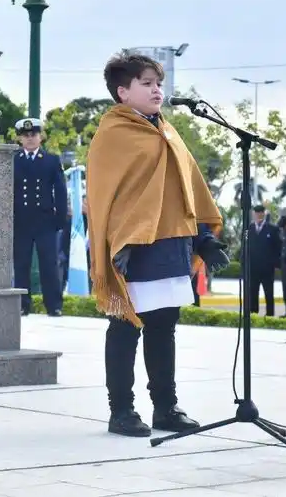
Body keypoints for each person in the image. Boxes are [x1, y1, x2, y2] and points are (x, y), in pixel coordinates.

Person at [86, 51, 229, 438]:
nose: (156, 90)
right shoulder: (113, 134)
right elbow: (106, 198)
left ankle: (166, 407)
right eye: (146, 83)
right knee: (125, 328)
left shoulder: (167, 131)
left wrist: (204, 238)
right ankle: (122, 411)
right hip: (133, 249)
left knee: (164, 327)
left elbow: (185, 190)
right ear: (123, 91)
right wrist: (118, 244)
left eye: (158, 83)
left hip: (171, 245)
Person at [13, 117, 67, 317]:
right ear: (20, 138)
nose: (29, 139)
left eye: (33, 135)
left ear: (40, 137)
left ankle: (54, 305)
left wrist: (60, 219)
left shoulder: (51, 160)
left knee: (49, 264)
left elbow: (60, 191)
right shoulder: (13, 160)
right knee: (21, 263)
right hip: (21, 221)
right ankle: (21, 304)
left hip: (45, 221)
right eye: (25, 136)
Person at [247, 205, 282, 317]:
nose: (259, 215)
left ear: (264, 213)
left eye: (261, 212)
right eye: (256, 213)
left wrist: (275, 263)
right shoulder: (249, 228)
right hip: (253, 268)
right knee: (253, 294)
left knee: (269, 294)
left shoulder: (272, 229)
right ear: (253, 214)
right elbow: (246, 248)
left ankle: (270, 316)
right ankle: (253, 315)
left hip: (267, 269)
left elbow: (278, 248)